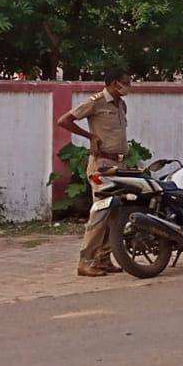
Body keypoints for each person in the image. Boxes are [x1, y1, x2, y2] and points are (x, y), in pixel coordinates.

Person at [55, 67, 132, 277]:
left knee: (114, 213)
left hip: (118, 165)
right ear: (114, 82)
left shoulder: (120, 105)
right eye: (126, 82)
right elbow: (64, 120)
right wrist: (90, 137)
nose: (129, 86)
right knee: (100, 211)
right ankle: (86, 261)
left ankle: (104, 258)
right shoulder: (96, 101)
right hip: (101, 166)